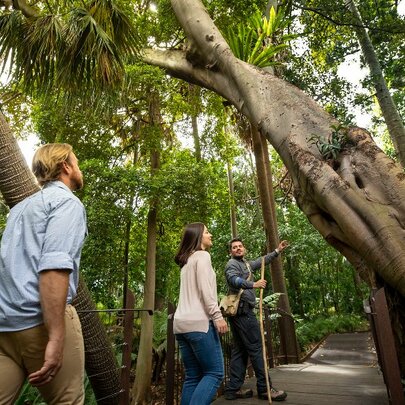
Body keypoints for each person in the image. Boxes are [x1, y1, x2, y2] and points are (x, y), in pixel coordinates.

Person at [0, 143, 87, 404]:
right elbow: (53, 269)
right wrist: (56, 336)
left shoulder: (18, 211)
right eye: (77, 162)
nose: (79, 168)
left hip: (5, 329)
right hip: (40, 326)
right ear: (66, 166)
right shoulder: (67, 204)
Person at [224, 238, 289, 401]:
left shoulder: (246, 264)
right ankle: (264, 388)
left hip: (240, 314)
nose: (238, 249)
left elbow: (262, 261)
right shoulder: (231, 264)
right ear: (230, 251)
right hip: (243, 313)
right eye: (234, 247)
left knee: (240, 350)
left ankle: (233, 389)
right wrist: (254, 285)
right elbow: (233, 280)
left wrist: (277, 251)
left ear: (243, 248)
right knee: (256, 348)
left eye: (240, 246)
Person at [173, 222, 228, 405]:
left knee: (193, 376)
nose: (210, 234)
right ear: (198, 236)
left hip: (181, 325)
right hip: (199, 324)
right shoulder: (203, 256)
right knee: (215, 373)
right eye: (207, 232)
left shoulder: (187, 261)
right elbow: (206, 291)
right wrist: (217, 316)